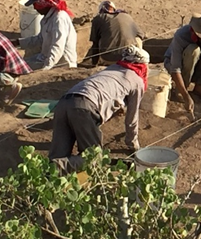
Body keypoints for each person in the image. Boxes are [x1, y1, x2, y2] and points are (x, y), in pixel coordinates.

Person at [48, 45, 149, 173]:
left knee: (58, 155)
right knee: (93, 159)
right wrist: (134, 146)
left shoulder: (112, 69)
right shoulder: (137, 80)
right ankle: (57, 166)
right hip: (85, 107)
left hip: (63, 103)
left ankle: (49, 171)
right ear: (143, 65)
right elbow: (132, 119)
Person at [17, 0, 78, 70]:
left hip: (61, 63)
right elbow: (40, 39)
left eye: (36, 4)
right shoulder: (46, 18)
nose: (34, 8)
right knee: (19, 64)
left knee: (22, 69)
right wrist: (18, 43)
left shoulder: (59, 18)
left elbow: (57, 46)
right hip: (45, 57)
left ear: (43, 4)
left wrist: (46, 68)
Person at [84, 0, 146, 66]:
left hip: (109, 59)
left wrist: (94, 64)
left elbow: (95, 44)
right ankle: (138, 59)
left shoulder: (99, 18)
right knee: (137, 38)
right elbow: (141, 34)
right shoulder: (127, 16)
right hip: (130, 57)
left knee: (99, 39)